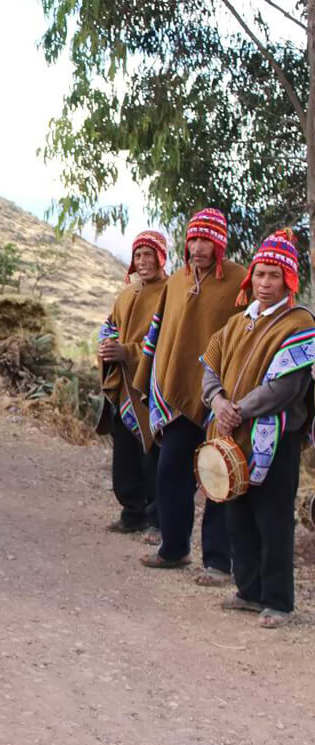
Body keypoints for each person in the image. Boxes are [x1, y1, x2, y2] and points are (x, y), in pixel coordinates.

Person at [201, 229, 315, 628]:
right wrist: (217, 402)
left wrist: (238, 409)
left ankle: (279, 602)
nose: (265, 283)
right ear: (250, 277)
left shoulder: (299, 324)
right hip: (234, 435)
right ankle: (248, 591)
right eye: (260, 274)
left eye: (273, 276)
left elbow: (286, 387)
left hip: (275, 439)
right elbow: (211, 367)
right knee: (238, 513)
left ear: (289, 280)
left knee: (273, 518)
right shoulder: (237, 323)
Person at [133, 208, 246, 582]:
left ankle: (217, 563)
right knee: (170, 472)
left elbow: (247, 335)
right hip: (178, 393)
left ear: (219, 243)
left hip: (221, 397)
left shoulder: (238, 282)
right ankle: (174, 548)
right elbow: (161, 333)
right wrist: (149, 376)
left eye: (206, 241)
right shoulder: (177, 282)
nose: (198, 248)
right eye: (193, 240)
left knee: (218, 477)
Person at [98, 231, 168, 533]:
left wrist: (127, 351)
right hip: (122, 383)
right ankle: (132, 513)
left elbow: (166, 341)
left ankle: (155, 517)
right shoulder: (127, 293)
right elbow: (110, 325)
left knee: (152, 451)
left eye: (148, 255)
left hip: (151, 387)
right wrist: (107, 346)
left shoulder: (170, 293)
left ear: (161, 257)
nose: (142, 261)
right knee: (125, 450)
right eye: (138, 255)